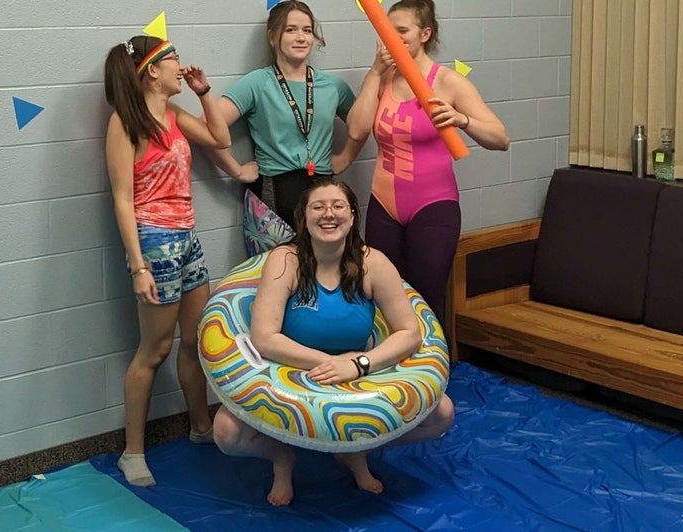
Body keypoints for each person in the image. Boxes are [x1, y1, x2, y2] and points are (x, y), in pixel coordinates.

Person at [212, 177, 455, 506]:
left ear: (353, 215)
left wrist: (357, 364)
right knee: (226, 432)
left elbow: (409, 332)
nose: (329, 214)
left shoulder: (373, 263)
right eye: (318, 207)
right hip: (292, 371)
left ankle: (357, 451)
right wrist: (327, 364)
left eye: (338, 206)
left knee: (442, 413)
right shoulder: (286, 261)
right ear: (304, 217)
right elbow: (264, 338)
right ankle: (282, 459)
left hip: (356, 369)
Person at [103, 35, 231, 487]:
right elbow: (122, 201)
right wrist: (138, 266)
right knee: (153, 351)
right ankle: (132, 452)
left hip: (188, 236)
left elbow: (221, 137)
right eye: (174, 58)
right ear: (152, 70)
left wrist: (204, 93)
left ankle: (200, 428)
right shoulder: (126, 123)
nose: (182, 64)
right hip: (154, 241)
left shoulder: (174, 115)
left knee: (195, 341)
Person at [348, 0, 509, 327]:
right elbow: (355, 129)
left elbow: (500, 138)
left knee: (425, 297)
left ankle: (433, 374)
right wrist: (374, 74)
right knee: (382, 295)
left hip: (434, 205)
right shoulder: (382, 78)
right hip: (384, 205)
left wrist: (462, 120)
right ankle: (392, 372)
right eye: (387, 30)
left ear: (425, 33)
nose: (393, 37)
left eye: (402, 31)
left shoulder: (447, 82)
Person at [208, 0, 364, 248]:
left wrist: (347, 156)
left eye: (307, 30)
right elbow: (206, 128)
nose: (301, 37)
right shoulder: (257, 83)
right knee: (279, 275)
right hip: (274, 194)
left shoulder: (333, 86)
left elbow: (362, 124)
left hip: (324, 191)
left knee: (329, 272)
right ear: (273, 37)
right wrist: (235, 169)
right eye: (290, 30)